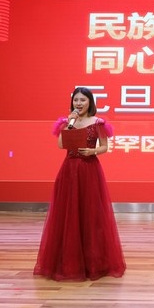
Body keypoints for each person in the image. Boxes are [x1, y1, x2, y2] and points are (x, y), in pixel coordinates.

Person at [34, 87, 126, 281]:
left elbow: (104, 147)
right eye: (76, 100)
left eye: (83, 100)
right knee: (68, 214)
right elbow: (61, 145)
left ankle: (94, 262)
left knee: (90, 214)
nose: (79, 103)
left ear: (90, 102)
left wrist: (92, 151)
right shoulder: (67, 122)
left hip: (89, 170)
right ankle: (67, 261)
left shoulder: (98, 122)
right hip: (69, 170)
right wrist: (69, 124)